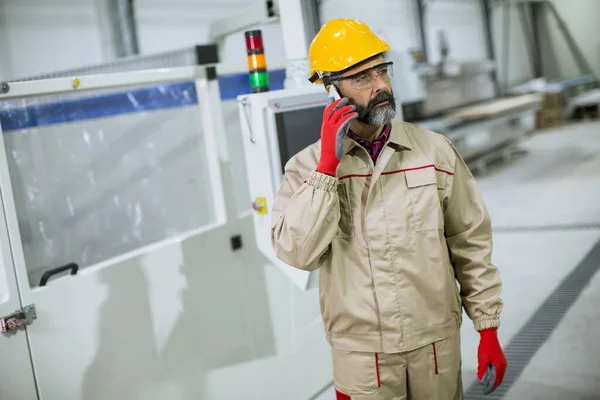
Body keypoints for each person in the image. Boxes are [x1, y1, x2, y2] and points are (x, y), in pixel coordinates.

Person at [270, 18, 507, 400]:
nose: (380, 85)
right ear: (333, 92)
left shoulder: (434, 151)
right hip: (363, 358)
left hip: (435, 346)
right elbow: (297, 253)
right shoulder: (305, 169)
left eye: (382, 71)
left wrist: (488, 328)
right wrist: (327, 172)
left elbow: (470, 240)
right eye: (363, 77)